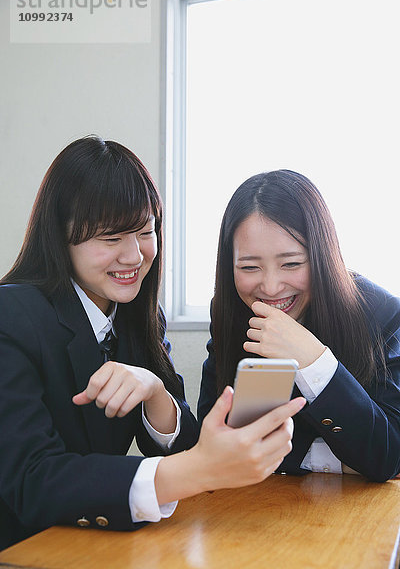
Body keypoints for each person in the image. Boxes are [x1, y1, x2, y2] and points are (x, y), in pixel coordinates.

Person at [0, 138, 305, 551]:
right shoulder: (11, 315)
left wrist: (156, 392)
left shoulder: (138, 314)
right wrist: (195, 470)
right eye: (110, 239)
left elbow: (186, 444)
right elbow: (32, 481)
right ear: (60, 238)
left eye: (145, 232)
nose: (134, 256)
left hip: (87, 542)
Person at [198, 169, 400, 482]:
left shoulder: (381, 313)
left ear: (321, 255)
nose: (271, 287)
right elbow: (213, 440)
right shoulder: (231, 310)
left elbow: (390, 455)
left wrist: (314, 361)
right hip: (256, 513)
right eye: (249, 267)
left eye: (291, 263)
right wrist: (332, 459)